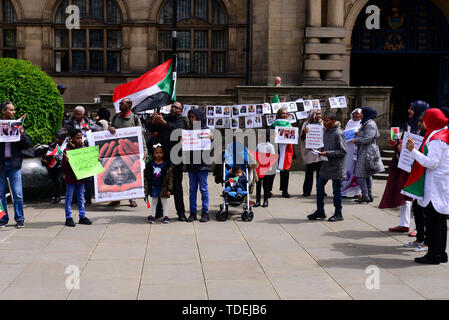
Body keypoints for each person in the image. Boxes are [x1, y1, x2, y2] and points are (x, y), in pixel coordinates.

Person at [404, 108, 449, 264]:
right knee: (440, 220)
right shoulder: (442, 133)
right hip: (440, 182)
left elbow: (432, 163)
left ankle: (434, 255)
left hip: (435, 184)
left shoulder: (437, 138)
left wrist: (413, 151)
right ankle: (441, 253)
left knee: (434, 220)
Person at [381, 101, 430, 233]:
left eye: (412, 109)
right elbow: (403, 143)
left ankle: (418, 227)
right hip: (406, 164)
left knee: (417, 197)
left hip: (419, 165)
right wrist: (396, 145)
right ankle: (404, 223)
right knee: (405, 192)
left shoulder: (427, 128)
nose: (409, 111)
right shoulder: (409, 124)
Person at [147, 101, 187, 221]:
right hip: (161, 158)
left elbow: (177, 131)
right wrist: (154, 120)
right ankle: (159, 212)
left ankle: (181, 213)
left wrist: (163, 122)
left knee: (177, 186)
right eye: (173, 106)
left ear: (181, 111)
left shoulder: (182, 121)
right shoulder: (164, 117)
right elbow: (151, 129)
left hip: (175, 158)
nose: (174, 109)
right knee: (159, 184)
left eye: (177, 108)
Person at [108, 98, 147, 208]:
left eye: (122, 103)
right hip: (117, 152)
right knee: (116, 176)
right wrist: (110, 128)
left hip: (130, 152)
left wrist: (144, 150)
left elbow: (141, 135)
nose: (119, 105)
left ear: (129, 105)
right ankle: (116, 199)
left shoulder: (135, 118)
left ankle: (132, 198)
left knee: (130, 174)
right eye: (119, 103)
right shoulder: (116, 117)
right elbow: (111, 131)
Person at [308, 113, 347, 222]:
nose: (324, 122)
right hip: (326, 165)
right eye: (324, 120)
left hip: (337, 166)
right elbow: (327, 146)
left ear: (333, 121)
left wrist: (327, 153)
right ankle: (320, 211)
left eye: (327, 120)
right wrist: (320, 150)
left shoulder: (338, 133)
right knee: (319, 187)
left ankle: (338, 213)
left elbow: (343, 151)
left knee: (336, 191)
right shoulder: (326, 132)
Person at [0, 102, 32, 228]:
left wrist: (22, 134)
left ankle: (19, 218)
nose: (13, 112)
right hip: (1, 165)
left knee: (17, 193)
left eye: (14, 110)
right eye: (11, 110)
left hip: (14, 164)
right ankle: (2, 218)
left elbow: (27, 144)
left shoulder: (18, 125)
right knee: (0, 194)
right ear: (3, 111)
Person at [64, 105, 103, 206]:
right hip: (75, 151)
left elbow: (100, 129)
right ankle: (75, 199)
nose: (76, 116)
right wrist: (66, 133)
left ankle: (88, 198)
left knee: (89, 178)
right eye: (75, 113)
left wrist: (90, 128)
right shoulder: (69, 122)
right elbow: (61, 132)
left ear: (83, 114)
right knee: (75, 175)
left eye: (79, 114)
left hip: (86, 151)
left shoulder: (89, 122)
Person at [403, 112, 428, 251]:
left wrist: (414, 151)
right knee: (417, 209)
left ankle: (426, 241)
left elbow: (430, 160)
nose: (418, 124)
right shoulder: (422, 133)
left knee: (426, 212)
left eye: (421, 121)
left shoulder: (433, 137)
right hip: (418, 175)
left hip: (426, 178)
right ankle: (420, 238)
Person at [185, 108, 213, 223]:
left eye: (193, 117)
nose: (191, 119)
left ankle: (205, 212)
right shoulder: (189, 130)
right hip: (192, 164)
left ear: (199, 117)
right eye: (190, 117)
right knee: (192, 189)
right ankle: (193, 212)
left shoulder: (206, 130)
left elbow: (212, 148)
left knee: (203, 189)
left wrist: (212, 139)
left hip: (203, 164)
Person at [353, 107, 384, 203]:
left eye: (362, 113)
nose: (360, 114)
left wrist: (357, 140)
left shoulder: (370, 124)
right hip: (365, 149)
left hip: (367, 150)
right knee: (366, 173)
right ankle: (368, 194)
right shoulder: (366, 123)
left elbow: (368, 138)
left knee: (360, 174)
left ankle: (365, 195)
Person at [62, 129, 92, 227]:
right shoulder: (67, 151)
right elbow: (64, 167)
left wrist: (94, 159)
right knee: (69, 198)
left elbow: (87, 162)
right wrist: (66, 161)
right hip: (70, 178)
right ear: (72, 139)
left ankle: (82, 216)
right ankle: (68, 217)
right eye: (77, 138)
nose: (80, 140)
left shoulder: (83, 148)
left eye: (81, 138)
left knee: (80, 197)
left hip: (80, 178)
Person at [145, 144, 173, 224]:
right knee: (154, 202)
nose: (158, 154)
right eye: (156, 153)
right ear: (154, 154)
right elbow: (148, 177)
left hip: (163, 187)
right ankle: (152, 216)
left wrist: (169, 189)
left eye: (160, 153)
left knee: (164, 202)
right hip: (154, 187)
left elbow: (170, 179)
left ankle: (166, 216)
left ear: (163, 154)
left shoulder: (166, 165)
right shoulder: (151, 164)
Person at [271, 107, 294, 198]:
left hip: (287, 149)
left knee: (286, 171)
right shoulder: (274, 124)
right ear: (279, 114)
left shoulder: (290, 125)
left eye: (286, 113)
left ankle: (285, 191)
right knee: (272, 171)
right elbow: (269, 136)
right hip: (276, 149)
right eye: (283, 113)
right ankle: (268, 190)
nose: (285, 115)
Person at [300, 109, 323, 197]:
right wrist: (304, 133)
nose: (318, 116)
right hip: (310, 152)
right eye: (316, 114)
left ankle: (320, 190)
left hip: (320, 151)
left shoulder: (322, 123)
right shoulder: (306, 124)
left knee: (320, 174)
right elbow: (302, 137)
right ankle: (306, 191)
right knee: (309, 173)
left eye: (319, 114)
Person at [341, 108, 362, 198]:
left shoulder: (362, 124)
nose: (355, 115)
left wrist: (359, 134)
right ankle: (344, 192)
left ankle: (357, 192)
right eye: (354, 113)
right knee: (347, 169)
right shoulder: (349, 123)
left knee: (356, 170)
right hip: (348, 150)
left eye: (357, 114)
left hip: (357, 150)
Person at [41, 130, 66, 204]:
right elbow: (48, 154)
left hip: (62, 166)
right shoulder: (53, 145)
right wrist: (45, 159)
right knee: (55, 181)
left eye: (60, 139)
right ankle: (55, 196)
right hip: (53, 166)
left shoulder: (66, 146)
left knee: (60, 180)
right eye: (57, 138)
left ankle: (59, 195)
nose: (58, 140)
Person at [254, 131, 276, 208]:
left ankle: (266, 200)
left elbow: (272, 157)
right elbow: (256, 155)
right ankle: (257, 200)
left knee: (266, 186)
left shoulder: (270, 146)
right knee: (258, 185)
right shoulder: (258, 145)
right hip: (259, 168)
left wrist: (269, 168)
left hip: (266, 168)